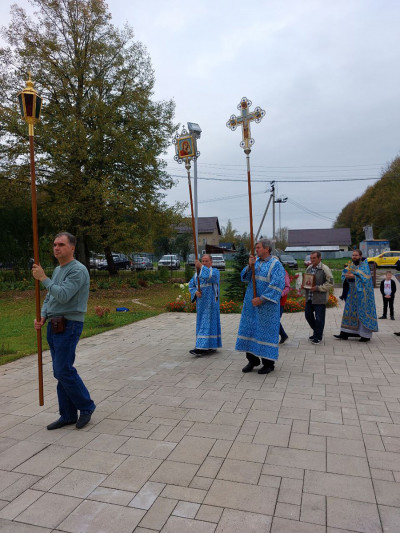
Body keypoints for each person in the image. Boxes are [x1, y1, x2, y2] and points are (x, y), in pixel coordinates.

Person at [32, 232, 96, 430]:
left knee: (63, 370)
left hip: (69, 324)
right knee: (60, 371)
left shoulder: (78, 270)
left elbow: (63, 295)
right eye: (54, 244)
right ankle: (67, 414)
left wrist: (43, 278)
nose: (56, 248)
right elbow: (50, 297)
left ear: (72, 248)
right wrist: (43, 315)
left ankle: (86, 406)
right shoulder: (59, 270)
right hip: (55, 323)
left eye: (61, 244)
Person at [236, 238, 285, 374]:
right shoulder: (255, 262)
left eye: (258, 247)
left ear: (266, 249)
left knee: (265, 333)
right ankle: (252, 360)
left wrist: (262, 299)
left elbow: (277, 284)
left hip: (266, 307)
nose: (256, 250)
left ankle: (268, 363)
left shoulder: (276, 265)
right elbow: (244, 278)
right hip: (251, 305)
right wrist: (249, 266)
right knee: (249, 330)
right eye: (256, 247)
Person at [334, 249, 378, 342]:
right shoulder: (351, 266)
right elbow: (344, 275)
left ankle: (365, 335)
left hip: (362, 295)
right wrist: (345, 276)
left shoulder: (364, 267)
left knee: (361, 313)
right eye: (353, 255)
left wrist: (354, 277)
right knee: (349, 312)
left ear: (360, 256)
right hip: (351, 293)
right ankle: (345, 333)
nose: (354, 257)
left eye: (356, 255)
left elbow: (366, 280)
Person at [188, 254, 222, 356]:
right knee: (202, 325)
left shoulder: (215, 272)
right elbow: (191, 285)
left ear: (211, 262)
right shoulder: (196, 275)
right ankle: (210, 346)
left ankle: (201, 348)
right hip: (201, 305)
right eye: (202, 261)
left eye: (206, 261)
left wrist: (201, 267)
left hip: (211, 304)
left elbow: (210, 277)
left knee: (206, 325)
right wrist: (195, 292)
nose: (204, 263)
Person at [304, 251, 334, 345]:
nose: (312, 260)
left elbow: (330, 283)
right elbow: (306, 280)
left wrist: (318, 288)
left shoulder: (325, 269)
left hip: (319, 298)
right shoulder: (309, 268)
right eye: (311, 258)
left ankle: (318, 337)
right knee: (308, 315)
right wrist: (304, 285)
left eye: (314, 258)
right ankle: (317, 332)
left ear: (319, 258)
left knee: (319, 318)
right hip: (309, 298)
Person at [279, 269, 291, 344]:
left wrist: (280, 294)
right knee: (273, 320)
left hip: (280, 301)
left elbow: (287, 287)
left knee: (275, 320)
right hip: (270, 300)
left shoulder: (283, 272)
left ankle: (283, 335)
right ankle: (283, 335)